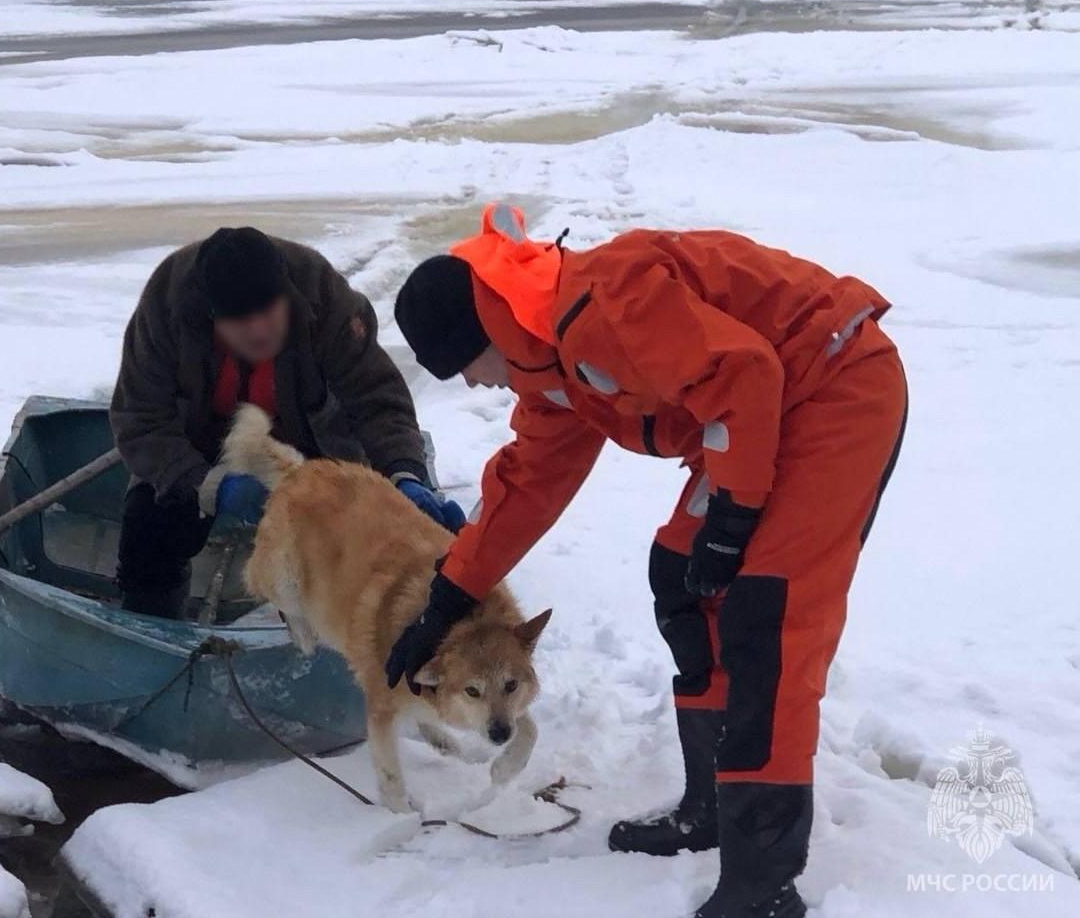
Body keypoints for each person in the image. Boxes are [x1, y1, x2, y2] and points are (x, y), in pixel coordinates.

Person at [387, 203, 907, 918]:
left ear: (486, 330)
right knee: (683, 576)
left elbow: (745, 372)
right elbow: (526, 487)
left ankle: (762, 884)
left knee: (765, 615)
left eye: (466, 366)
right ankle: (712, 806)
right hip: (762, 419)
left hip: (835, 384)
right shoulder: (551, 367)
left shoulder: (605, 305)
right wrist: (445, 601)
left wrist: (734, 516)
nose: (474, 385)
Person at [110, 226, 463, 618]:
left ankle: (332, 626)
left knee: (345, 544)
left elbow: (376, 399)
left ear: (288, 297)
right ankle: (153, 626)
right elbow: (140, 418)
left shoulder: (324, 295)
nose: (259, 330)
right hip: (199, 446)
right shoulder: (167, 301)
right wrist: (211, 486)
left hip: (308, 445)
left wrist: (404, 475)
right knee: (149, 526)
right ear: (211, 317)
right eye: (240, 321)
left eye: (268, 312)